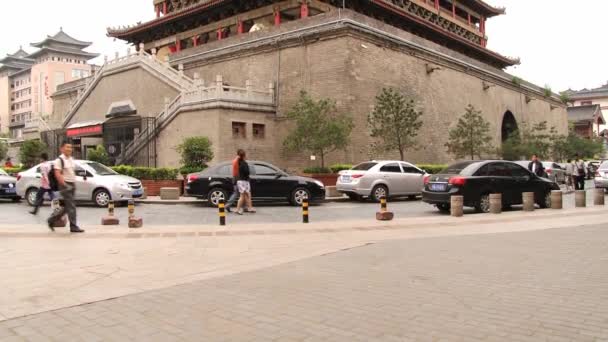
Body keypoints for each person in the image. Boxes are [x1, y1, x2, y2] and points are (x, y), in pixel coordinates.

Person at [47, 142, 84, 233]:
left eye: (70, 147)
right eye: (67, 147)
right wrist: (64, 184)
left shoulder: (71, 159)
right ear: (62, 149)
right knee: (71, 206)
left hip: (72, 184)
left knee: (67, 207)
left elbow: (72, 172)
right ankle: (73, 226)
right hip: (65, 184)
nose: (69, 149)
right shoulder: (59, 160)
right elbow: (57, 173)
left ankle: (51, 219)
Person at [235, 150, 255, 215]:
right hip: (244, 181)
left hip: (240, 181)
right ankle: (238, 210)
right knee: (243, 196)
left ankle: (250, 208)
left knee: (247, 195)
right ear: (244, 156)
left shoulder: (239, 162)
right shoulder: (244, 163)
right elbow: (247, 172)